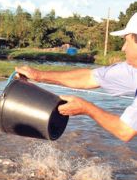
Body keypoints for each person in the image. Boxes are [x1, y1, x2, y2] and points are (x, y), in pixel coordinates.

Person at [16, 13, 137, 142]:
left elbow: (125, 130)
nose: (123, 48)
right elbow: (88, 77)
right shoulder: (132, 69)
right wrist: (38, 75)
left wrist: (86, 108)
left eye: (126, 40)